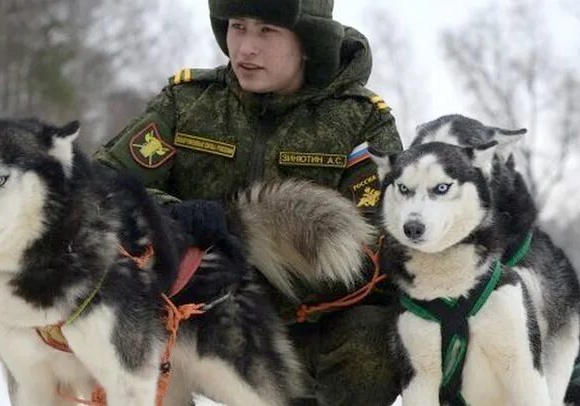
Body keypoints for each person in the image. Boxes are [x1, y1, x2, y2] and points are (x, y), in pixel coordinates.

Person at [95, 0, 404, 403]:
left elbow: (377, 249)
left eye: (267, 31)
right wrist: (175, 220)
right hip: (192, 323)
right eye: (237, 27)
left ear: (308, 41)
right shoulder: (187, 103)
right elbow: (101, 185)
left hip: (304, 331)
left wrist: (249, 254)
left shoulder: (361, 121)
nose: (245, 49)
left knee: (373, 339)